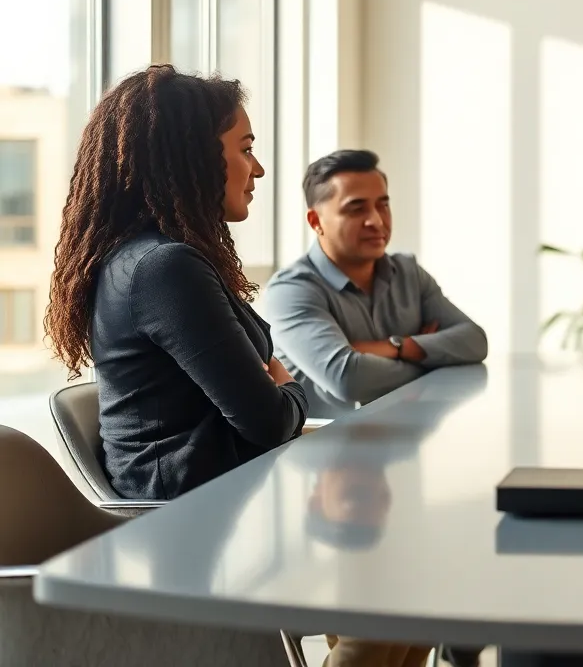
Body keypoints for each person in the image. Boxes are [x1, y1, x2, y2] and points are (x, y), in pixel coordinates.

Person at [45, 65, 308, 501]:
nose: (257, 169)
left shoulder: (148, 259)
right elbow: (268, 420)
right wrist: (291, 389)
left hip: (222, 498)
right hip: (188, 520)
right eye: (245, 150)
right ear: (194, 157)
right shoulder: (164, 268)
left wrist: (279, 392)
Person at [264, 150, 487, 415]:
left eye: (383, 204)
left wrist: (398, 347)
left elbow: (475, 341)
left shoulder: (408, 272)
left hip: (405, 435)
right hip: (323, 448)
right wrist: (434, 358)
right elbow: (349, 379)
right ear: (316, 221)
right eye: (357, 209)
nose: (377, 221)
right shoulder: (290, 291)